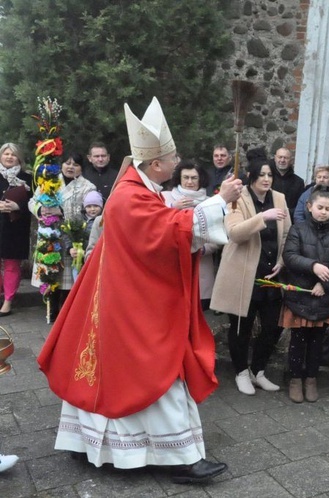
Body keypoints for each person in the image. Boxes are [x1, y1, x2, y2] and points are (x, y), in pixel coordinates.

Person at [37, 97, 243, 483]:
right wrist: (219, 202)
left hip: (126, 297)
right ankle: (181, 459)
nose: (178, 159)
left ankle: (88, 444)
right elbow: (166, 233)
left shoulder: (139, 188)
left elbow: (165, 226)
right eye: (172, 155)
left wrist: (203, 208)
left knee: (117, 374)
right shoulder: (130, 195)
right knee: (158, 369)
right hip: (129, 306)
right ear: (155, 164)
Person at [211, 150, 291, 396]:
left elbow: (286, 232)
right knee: (240, 328)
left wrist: (281, 260)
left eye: (269, 175)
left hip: (270, 274)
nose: (267, 179)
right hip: (243, 272)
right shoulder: (238, 198)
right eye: (262, 175)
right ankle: (241, 372)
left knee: (272, 326)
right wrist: (262, 217)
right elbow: (234, 233)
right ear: (251, 177)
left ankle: (259, 371)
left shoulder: (279, 197)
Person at [282, 185, 329, 403]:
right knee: (298, 340)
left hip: (324, 296)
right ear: (310, 207)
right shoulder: (298, 229)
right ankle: (295, 378)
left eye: (327, 208)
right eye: (319, 207)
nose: (323, 212)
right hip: (301, 295)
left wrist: (326, 284)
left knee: (316, 342)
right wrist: (313, 266)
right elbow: (290, 255)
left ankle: (311, 378)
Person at [30, 153, 97, 319]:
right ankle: (51, 311)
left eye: (75, 164)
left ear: (81, 168)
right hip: (50, 234)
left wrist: (59, 211)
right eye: (67, 163)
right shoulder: (49, 180)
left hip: (71, 236)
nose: (70, 167)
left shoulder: (87, 186)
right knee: (51, 274)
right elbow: (33, 200)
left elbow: (87, 211)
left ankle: (67, 313)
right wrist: (40, 209)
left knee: (68, 278)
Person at [164, 161, 218, 310]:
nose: (189, 182)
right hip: (171, 264)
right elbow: (156, 223)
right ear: (179, 178)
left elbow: (217, 234)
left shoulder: (210, 203)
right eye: (185, 177)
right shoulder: (165, 198)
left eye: (194, 178)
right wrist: (173, 208)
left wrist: (202, 249)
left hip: (201, 263)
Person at [0, 143, 32, 317]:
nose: (9, 157)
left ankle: (8, 301)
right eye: (6, 154)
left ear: (19, 158)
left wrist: (18, 206)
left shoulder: (27, 178)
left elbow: (36, 204)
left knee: (12, 264)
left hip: (15, 228)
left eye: (13, 154)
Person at [293, 165, 329, 229]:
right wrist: (306, 230)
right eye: (319, 177)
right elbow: (298, 216)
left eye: (325, 177)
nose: (321, 180)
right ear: (315, 179)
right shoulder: (305, 195)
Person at [270, 147, 305, 217]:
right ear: (275, 158)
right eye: (280, 157)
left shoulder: (299, 182)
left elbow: (300, 206)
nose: (282, 160)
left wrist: (287, 212)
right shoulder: (267, 179)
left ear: (291, 160)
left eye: (286, 158)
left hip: (290, 220)